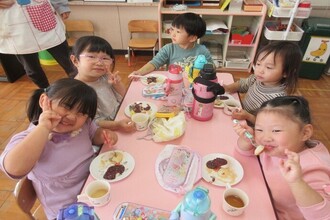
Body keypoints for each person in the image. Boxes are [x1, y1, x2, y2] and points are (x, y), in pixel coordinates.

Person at [0, 78, 118, 219]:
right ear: (44, 101)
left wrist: (104, 135)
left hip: (96, 188)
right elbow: (13, 169)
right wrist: (44, 127)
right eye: (67, 107)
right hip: (68, 210)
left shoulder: (83, 125)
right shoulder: (30, 138)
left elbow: (94, 134)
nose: (72, 117)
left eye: (81, 113)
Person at [233, 96, 330, 219]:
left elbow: (324, 216)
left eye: (276, 130)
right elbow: (244, 154)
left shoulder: (314, 167)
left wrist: (297, 182)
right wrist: (246, 140)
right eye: (259, 129)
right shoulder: (273, 147)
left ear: (305, 133)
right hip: (259, 200)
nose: (265, 137)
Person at [0, 0, 76, 88]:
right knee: (32, 69)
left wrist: (61, 5)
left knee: (68, 61)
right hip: (15, 27)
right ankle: (45, 91)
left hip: (43, 16)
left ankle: (83, 86)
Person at [224, 41, 302, 125]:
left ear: (286, 72)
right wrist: (226, 88)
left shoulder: (278, 100)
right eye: (258, 64)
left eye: (269, 67)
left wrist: (248, 116)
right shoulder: (257, 79)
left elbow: (266, 125)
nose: (260, 70)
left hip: (252, 128)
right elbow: (242, 84)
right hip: (239, 115)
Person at [72, 36, 135, 132]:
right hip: (103, 129)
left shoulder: (105, 77)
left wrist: (117, 84)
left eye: (105, 58)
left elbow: (124, 96)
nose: (99, 63)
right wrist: (117, 124)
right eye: (91, 57)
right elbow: (92, 122)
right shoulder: (76, 91)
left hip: (120, 115)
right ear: (75, 60)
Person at [128, 12, 213, 79]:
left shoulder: (202, 52)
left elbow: (211, 69)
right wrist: (139, 72)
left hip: (194, 87)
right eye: (172, 29)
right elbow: (154, 63)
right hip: (173, 85)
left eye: (178, 32)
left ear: (192, 38)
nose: (173, 34)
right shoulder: (168, 49)